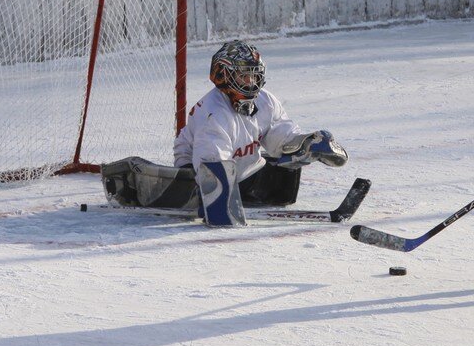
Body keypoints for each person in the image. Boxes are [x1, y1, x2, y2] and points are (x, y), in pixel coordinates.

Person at [101, 40, 348, 226]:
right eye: (244, 76)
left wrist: (302, 145)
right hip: (195, 166)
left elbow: (277, 135)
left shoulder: (266, 100)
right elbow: (211, 164)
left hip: (243, 164)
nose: (251, 82)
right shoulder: (213, 114)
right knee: (200, 190)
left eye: (254, 75)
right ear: (222, 75)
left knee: (282, 184)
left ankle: (242, 187)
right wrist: (221, 207)